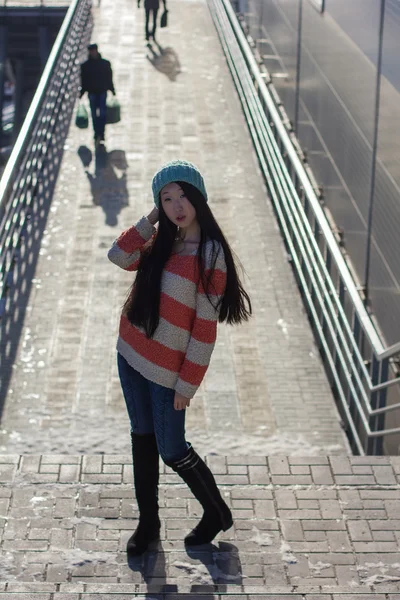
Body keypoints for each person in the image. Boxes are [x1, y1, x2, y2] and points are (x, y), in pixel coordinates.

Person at [108, 160, 252, 556]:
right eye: (166, 199)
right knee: (142, 437)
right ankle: (148, 523)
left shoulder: (211, 255)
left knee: (171, 448)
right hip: (131, 353)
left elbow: (205, 330)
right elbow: (118, 255)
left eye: (182, 194)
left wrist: (187, 384)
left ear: (199, 198)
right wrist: (151, 219)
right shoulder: (161, 243)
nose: (176, 205)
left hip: (168, 372)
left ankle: (216, 511)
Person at [79, 43, 116, 145]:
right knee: (95, 115)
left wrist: (112, 89)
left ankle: (101, 133)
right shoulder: (86, 66)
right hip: (92, 93)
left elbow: (109, 78)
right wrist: (82, 93)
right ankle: (97, 133)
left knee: (102, 114)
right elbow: (84, 81)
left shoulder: (104, 64)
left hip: (101, 92)